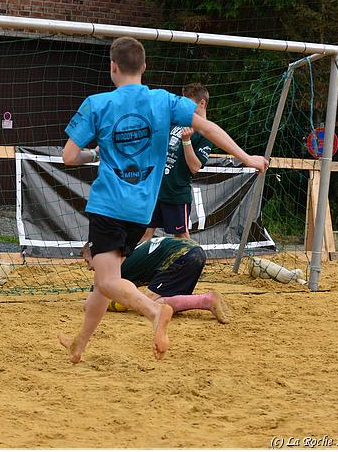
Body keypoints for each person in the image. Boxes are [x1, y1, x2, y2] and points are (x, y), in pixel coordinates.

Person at [60, 36, 268, 363]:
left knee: (107, 279)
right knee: (106, 282)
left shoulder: (96, 104)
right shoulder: (164, 101)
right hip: (141, 212)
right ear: (144, 67)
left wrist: (93, 153)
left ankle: (156, 312)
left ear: (113, 68)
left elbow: (69, 156)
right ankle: (80, 345)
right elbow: (209, 127)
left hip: (108, 205)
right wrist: (247, 158)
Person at [81, 238, 227, 323]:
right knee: (165, 300)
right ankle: (205, 300)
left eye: (88, 262)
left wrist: (115, 304)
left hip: (181, 257)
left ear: (97, 255)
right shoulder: (122, 252)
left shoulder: (110, 264)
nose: (88, 268)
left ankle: (205, 300)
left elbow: (89, 305)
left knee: (149, 304)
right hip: (192, 250)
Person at [142, 83, 212, 241]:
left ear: (202, 103)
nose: (184, 107)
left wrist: (186, 141)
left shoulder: (205, 133)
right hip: (156, 190)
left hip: (176, 194)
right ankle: (137, 264)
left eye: (188, 103)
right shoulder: (175, 122)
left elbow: (195, 167)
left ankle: (194, 263)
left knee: (180, 236)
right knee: (146, 232)